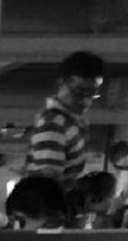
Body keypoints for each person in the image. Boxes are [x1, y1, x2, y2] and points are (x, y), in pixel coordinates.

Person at [24, 51, 104, 187]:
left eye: (92, 94)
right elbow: (48, 185)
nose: (85, 101)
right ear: (60, 83)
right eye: (78, 92)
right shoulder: (53, 124)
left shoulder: (68, 123)